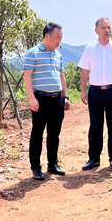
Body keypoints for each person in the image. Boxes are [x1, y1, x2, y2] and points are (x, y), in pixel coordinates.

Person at [79, 18, 112, 172]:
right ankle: (93, 159)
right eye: (103, 27)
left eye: (109, 27)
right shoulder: (90, 48)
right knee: (95, 125)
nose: (107, 30)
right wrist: (82, 90)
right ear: (96, 31)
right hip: (95, 91)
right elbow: (85, 71)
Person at [23, 22, 71, 181]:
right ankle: (36, 167)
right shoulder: (33, 53)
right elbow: (27, 76)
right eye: (57, 38)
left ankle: (53, 164)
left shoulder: (58, 55)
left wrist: (65, 97)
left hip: (57, 99)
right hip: (40, 99)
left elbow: (62, 77)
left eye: (61, 38)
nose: (59, 41)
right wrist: (31, 98)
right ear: (47, 36)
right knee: (37, 134)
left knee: (54, 134)